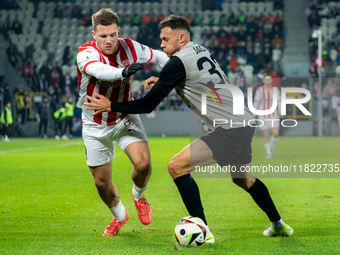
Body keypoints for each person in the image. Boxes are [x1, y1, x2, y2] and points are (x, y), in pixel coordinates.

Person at [85, 14, 293, 242]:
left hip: (229, 128)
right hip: (243, 122)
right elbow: (195, 78)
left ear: (181, 37)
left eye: (165, 39)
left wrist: (110, 104)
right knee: (243, 178)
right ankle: (279, 225)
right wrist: (164, 79)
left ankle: (202, 231)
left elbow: (146, 104)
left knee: (176, 167)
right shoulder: (199, 50)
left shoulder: (177, 63)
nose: (162, 45)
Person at [76, 8, 169, 236]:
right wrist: (124, 72)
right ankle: (119, 216)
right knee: (101, 183)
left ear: (119, 32)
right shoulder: (85, 53)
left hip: (124, 115)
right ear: (93, 34)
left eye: (112, 35)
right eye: (103, 36)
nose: (109, 41)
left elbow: (160, 57)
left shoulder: (130, 46)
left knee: (144, 164)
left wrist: (168, 76)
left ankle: (138, 196)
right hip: (95, 123)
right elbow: (100, 70)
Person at [254, 75, 281, 159]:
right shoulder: (259, 90)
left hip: (273, 115)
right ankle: (269, 153)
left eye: (269, 80)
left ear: (271, 81)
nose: (268, 81)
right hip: (262, 115)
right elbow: (256, 102)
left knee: (275, 133)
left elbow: (279, 101)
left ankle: (271, 147)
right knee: (266, 135)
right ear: (263, 81)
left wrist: (282, 112)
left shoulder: (275, 90)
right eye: (266, 80)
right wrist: (254, 114)